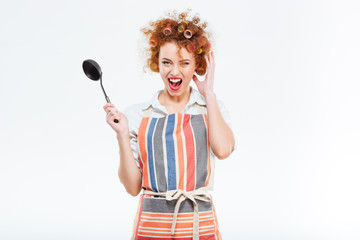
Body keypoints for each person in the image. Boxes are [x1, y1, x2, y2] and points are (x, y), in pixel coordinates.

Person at [103, 11, 235, 240]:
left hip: (198, 227)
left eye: (184, 63)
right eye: (167, 62)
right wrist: (122, 134)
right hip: (152, 229)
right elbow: (133, 188)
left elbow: (223, 151)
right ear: (157, 62)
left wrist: (209, 95)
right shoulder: (137, 115)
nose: (175, 72)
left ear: (197, 65)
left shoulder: (211, 109)